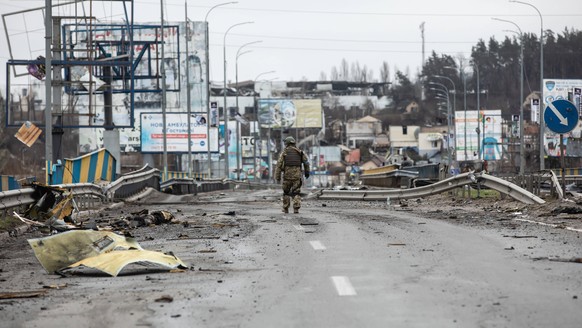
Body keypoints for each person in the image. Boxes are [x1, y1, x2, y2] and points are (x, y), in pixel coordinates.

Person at [274, 136, 310, 213]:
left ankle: (286, 208)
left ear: (287, 143)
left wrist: (277, 177)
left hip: (287, 176)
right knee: (296, 192)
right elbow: (306, 163)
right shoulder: (300, 152)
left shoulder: (284, 152)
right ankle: (296, 208)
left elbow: (279, 165)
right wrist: (307, 172)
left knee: (286, 192)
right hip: (297, 176)